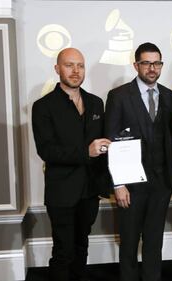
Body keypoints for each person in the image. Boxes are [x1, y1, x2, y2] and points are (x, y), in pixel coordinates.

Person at [32, 48, 111, 281]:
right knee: (63, 251)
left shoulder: (96, 103)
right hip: (61, 192)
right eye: (69, 65)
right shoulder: (43, 106)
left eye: (80, 65)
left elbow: (105, 142)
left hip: (90, 190)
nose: (76, 71)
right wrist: (85, 152)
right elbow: (46, 150)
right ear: (57, 69)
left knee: (81, 246)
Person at [105, 42, 172, 281]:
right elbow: (111, 141)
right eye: (146, 63)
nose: (152, 68)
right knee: (128, 242)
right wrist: (118, 184)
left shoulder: (169, 96)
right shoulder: (118, 96)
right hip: (130, 186)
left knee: (154, 241)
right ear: (136, 65)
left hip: (161, 183)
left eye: (156, 63)